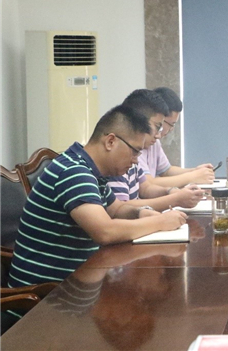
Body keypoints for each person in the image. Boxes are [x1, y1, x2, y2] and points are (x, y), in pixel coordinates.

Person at [8, 105, 188, 288]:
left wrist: (142, 212)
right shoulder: (74, 172)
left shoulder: (88, 169)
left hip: (75, 284)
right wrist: (160, 222)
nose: (136, 161)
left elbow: (116, 209)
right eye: (134, 151)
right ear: (110, 141)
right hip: (44, 296)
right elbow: (105, 232)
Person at [107, 89, 203, 212]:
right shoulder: (118, 157)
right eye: (158, 127)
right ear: (138, 121)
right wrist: (175, 199)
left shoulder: (133, 151)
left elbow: (145, 188)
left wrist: (170, 191)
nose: (158, 135)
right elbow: (120, 209)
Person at [139, 86, 214, 187]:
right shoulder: (136, 144)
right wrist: (192, 177)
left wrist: (195, 171)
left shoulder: (155, 141)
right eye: (171, 124)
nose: (171, 129)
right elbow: (148, 183)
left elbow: (166, 170)